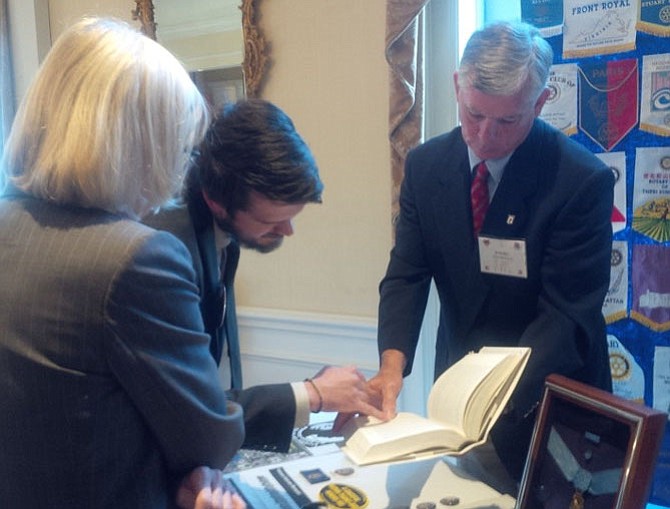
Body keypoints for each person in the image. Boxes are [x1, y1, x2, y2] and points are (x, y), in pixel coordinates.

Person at [0, 17, 245, 509]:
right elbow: (211, 438)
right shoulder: (134, 257)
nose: (179, 164)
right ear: (139, 143)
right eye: (176, 144)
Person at [367, 20, 614, 492]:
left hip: (547, 394)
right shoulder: (425, 165)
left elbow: (565, 315)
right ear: (458, 87)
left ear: (540, 104)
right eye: (474, 114)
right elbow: (407, 274)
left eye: (507, 121)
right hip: (459, 385)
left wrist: (491, 393)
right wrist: (390, 366)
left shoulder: (580, 181)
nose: (484, 135)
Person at [145, 98, 385, 452]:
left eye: (292, 216)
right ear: (216, 201)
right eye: (271, 221)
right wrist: (313, 394)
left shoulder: (219, 227)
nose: (287, 231)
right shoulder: (166, 252)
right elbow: (188, 411)